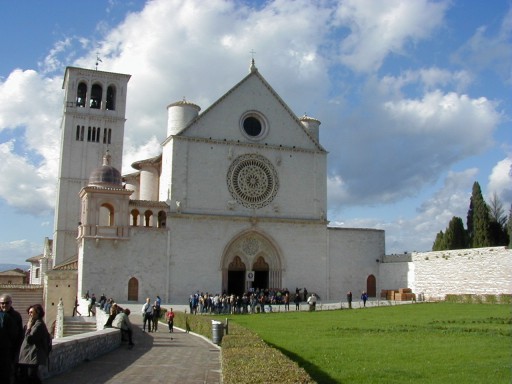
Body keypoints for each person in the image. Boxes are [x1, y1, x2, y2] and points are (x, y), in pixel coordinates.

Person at [17, 304, 51, 384]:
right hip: (28, 356)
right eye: (29, 312)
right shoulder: (33, 323)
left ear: (38, 313)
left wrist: (28, 328)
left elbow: (30, 339)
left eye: (32, 312)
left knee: (32, 376)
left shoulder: (38, 324)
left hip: (33, 356)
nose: (30, 314)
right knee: (28, 376)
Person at [1, 293, 23, 384]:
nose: (4, 305)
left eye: (6, 303)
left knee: (9, 374)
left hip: (10, 351)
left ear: (11, 303)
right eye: (2, 303)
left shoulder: (16, 316)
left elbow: (19, 334)